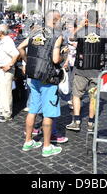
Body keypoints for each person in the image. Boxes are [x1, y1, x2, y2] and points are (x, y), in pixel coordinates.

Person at [18, 10, 64, 157]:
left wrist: (28, 61)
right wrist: (65, 54)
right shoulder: (57, 35)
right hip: (48, 77)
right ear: (56, 20)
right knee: (48, 113)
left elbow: (20, 48)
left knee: (33, 109)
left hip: (33, 75)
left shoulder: (35, 32)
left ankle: (28, 141)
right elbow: (56, 59)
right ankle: (46, 146)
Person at [66, 10, 107, 133]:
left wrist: (80, 25)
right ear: (98, 18)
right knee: (93, 97)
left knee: (76, 95)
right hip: (97, 69)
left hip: (81, 69)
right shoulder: (103, 32)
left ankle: (77, 121)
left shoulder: (81, 31)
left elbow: (71, 37)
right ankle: (90, 124)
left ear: (86, 18)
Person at [0, 25, 20, 122]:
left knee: (6, 92)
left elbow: (16, 54)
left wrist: (9, 65)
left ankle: (7, 113)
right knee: (0, 90)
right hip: (0, 69)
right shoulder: (3, 41)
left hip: (6, 70)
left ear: (0, 33)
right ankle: (0, 109)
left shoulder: (7, 41)